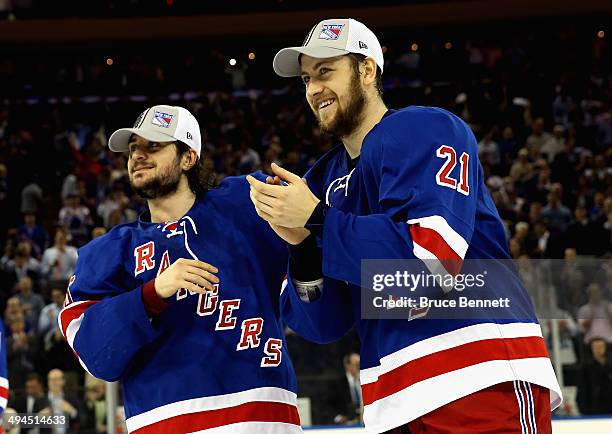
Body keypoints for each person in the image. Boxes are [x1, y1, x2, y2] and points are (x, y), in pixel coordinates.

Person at [248, 18, 562, 433]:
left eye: (326, 72)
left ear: (366, 70)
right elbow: (322, 325)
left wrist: (318, 219)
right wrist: (302, 245)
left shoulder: (425, 128)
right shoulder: (321, 181)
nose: (313, 89)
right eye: (306, 78)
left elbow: (430, 267)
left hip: (477, 374)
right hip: (392, 400)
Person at [58, 105, 301, 433]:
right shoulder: (110, 252)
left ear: (189, 157)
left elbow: (314, 241)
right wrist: (150, 295)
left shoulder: (245, 202)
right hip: (163, 422)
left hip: (263, 417)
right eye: (133, 149)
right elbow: (93, 353)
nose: (138, 156)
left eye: (153, 146)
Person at [576, 337, 612, 415]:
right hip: (594, 408)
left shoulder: (610, 365)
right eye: (595, 347)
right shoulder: (586, 368)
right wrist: (584, 411)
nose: (598, 350)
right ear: (592, 349)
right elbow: (582, 390)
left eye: (601, 347)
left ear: (605, 348)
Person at [328, 352, 362, 425]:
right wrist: (339, 418)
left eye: (360, 364)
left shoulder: (366, 381)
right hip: (345, 425)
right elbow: (328, 405)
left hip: (365, 422)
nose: (359, 367)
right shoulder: (337, 384)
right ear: (348, 365)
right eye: (357, 364)